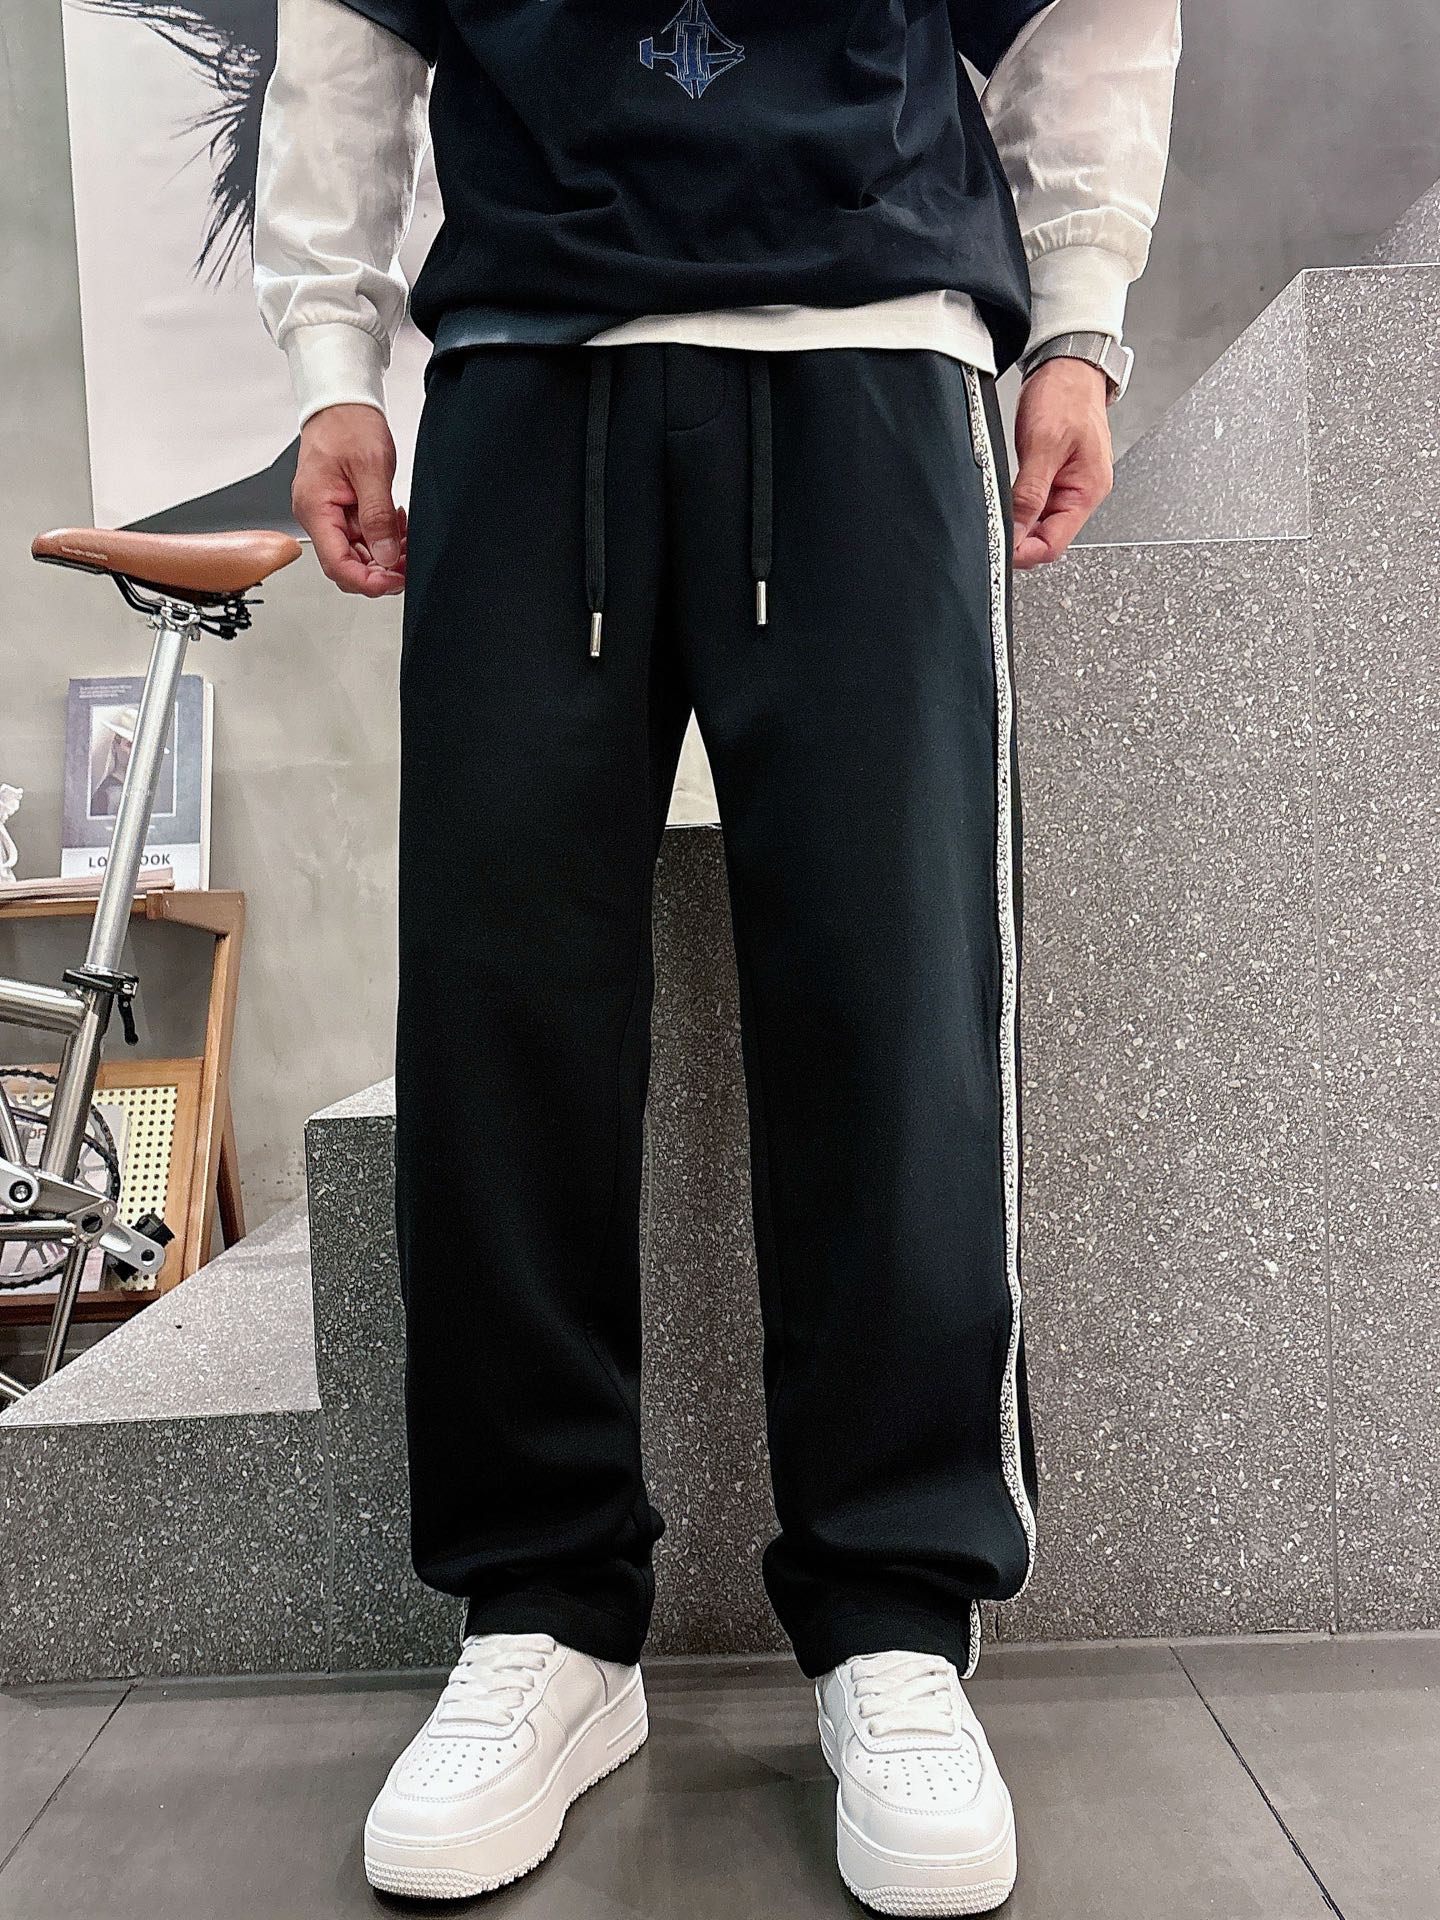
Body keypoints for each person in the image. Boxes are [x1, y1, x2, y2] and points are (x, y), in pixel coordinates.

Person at [255, 2, 1180, 1909]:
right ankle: (544, 1613)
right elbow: (349, 22)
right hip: (530, 360)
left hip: (872, 348)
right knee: (505, 1016)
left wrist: (1079, 316)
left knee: (897, 1009)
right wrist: (332, 357)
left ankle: (896, 1618)